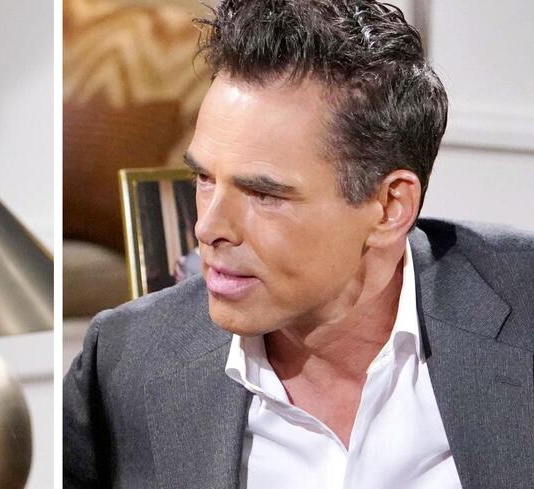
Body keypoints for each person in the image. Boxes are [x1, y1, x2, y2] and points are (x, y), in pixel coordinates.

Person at [63, 1, 534, 488]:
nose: (208, 228)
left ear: (390, 207)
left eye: (264, 194)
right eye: (203, 179)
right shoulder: (124, 361)